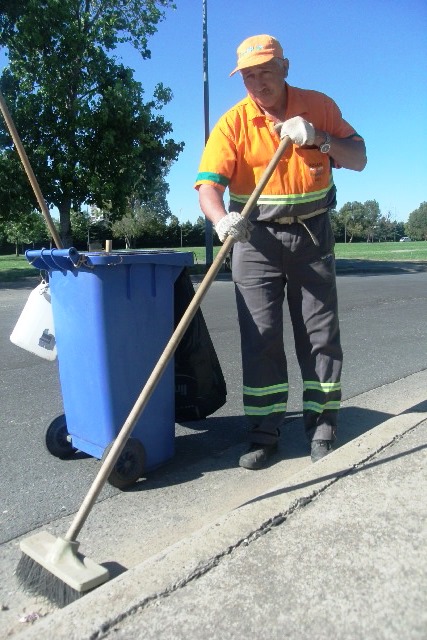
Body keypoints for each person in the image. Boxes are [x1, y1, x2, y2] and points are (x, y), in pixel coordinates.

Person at [194, 34, 367, 470]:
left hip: (312, 235)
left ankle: (323, 427)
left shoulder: (319, 105)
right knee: (260, 336)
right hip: (254, 239)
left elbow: (359, 157)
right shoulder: (233, 123)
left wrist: (319, 138)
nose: (256, 84)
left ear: (285, 68)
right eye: (248, 76)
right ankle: (263, 433)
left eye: (264, 73)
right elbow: (208, 186)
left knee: (319, 333)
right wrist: (220, 220)